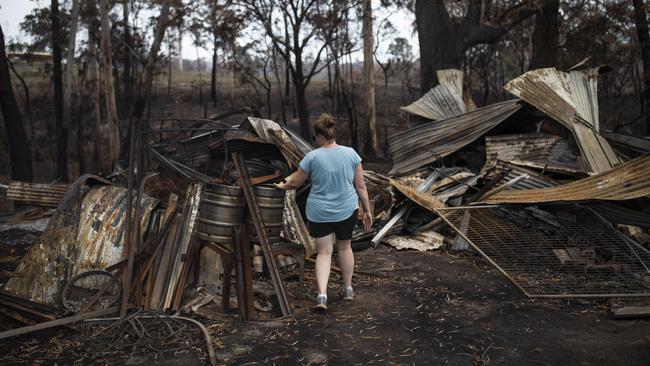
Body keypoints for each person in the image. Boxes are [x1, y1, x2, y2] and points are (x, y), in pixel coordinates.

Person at [274, 113, 372, 310]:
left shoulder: (312, 157)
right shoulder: (351, 154)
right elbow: (361, 186)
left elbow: (296, 183)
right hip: (347, 208)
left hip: (320, 212)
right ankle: (348, 289)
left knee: (324, 252)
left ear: (319, 136)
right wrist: (367, 210)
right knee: (345, 247)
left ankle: (322, 296)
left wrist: (282, 186)